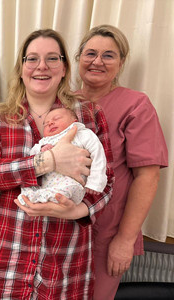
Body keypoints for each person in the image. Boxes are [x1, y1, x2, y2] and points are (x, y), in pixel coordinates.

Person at [0, 28, 114, 300]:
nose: (41, 66)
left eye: (52, 58)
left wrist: (80, 211)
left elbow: (107, 179)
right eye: (32, 58)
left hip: (65, 257)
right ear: (22, 68)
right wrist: (45, 162)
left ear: (64, 68)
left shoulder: (89, 114)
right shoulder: (0, 117)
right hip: (7, 254)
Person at [75, 24, 168, 300]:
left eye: (108, 55)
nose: (97, 61)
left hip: (107, 236)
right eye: (90, 53)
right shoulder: (63, 104)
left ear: (121, 63)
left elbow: (148, 176)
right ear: (78, 57)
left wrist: (125, 240)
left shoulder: (135, 105)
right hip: (63, 233)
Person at [18, 107, 107, 206]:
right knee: (26, 184)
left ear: (74, 121)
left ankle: (49, 198)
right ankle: (36, 197)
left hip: (72, 183)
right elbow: (31, 158)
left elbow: (98, 155)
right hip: (47, 185)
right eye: (46, 124)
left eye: (56, 119)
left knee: (70, 188)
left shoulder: (82, 134)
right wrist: (42, 149)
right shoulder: (44, 141)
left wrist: (95, 182)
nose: (50, 123)